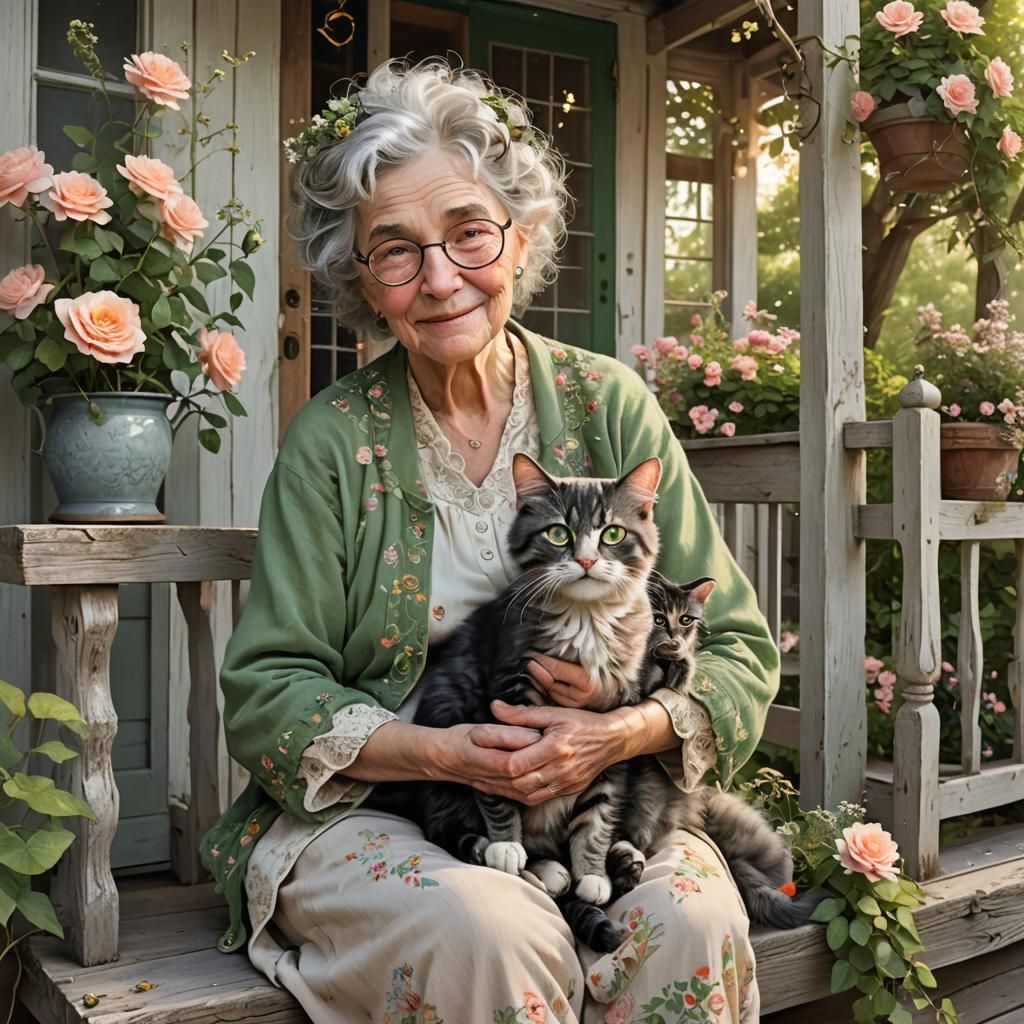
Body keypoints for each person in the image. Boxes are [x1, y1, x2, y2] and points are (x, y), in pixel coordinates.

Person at [201, 60, 779, 1024]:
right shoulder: (332, 441)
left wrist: (619, 728)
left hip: (605, 801)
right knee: (491, 927)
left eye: (468, 233)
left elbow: (737, 649)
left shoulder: (609, 406)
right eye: (396, 251)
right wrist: (440, 754)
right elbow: (269, 693)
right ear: (359, 274)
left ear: (523, 234)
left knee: (688, 924)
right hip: (383, 813)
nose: (440, 279)